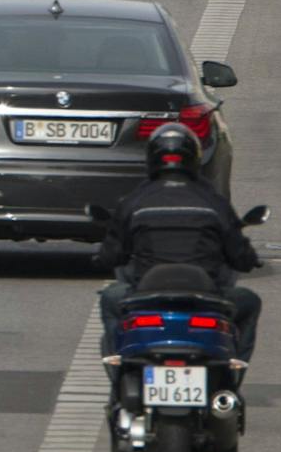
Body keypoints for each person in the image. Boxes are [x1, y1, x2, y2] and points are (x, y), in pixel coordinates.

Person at [95, 123, 261, 358]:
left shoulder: (135, 200)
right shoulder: (214, 201)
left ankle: (118, 362)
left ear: (151, 158)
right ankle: (235, 366)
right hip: (206, 298)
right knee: (249, 302)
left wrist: (103, 257)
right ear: (194, 158)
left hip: (145, 296)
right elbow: (240, 256)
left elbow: (112, 255)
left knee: (111, 298)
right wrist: (250, 258)